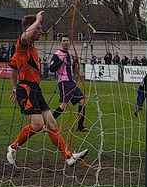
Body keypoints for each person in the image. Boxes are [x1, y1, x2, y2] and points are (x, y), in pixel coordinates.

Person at [6, 10, 88, 166]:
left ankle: (68, 157)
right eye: (39, 28)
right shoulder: (22, 44)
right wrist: (17, 88)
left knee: (52, 124)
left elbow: (13, 68)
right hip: (27, 89)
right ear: (31, 28)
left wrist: (13, 87)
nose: (41, 32)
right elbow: (24, 37)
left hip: (36, 89)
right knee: (37, 125)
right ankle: (13, 147)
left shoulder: (31, 50)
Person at [50, 34, 90, 132]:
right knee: (63, 105)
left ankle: (80, 127)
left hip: (71, 81)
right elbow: (52, 69)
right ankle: (47, 125)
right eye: (64, 41)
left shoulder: (70, 54)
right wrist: (60, 61)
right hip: (64, 82)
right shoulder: (57, 54)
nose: (66, 42)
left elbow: (73, 69)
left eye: (67, 41)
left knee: (82, 101)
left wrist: (76, 62)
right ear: (60, 42)